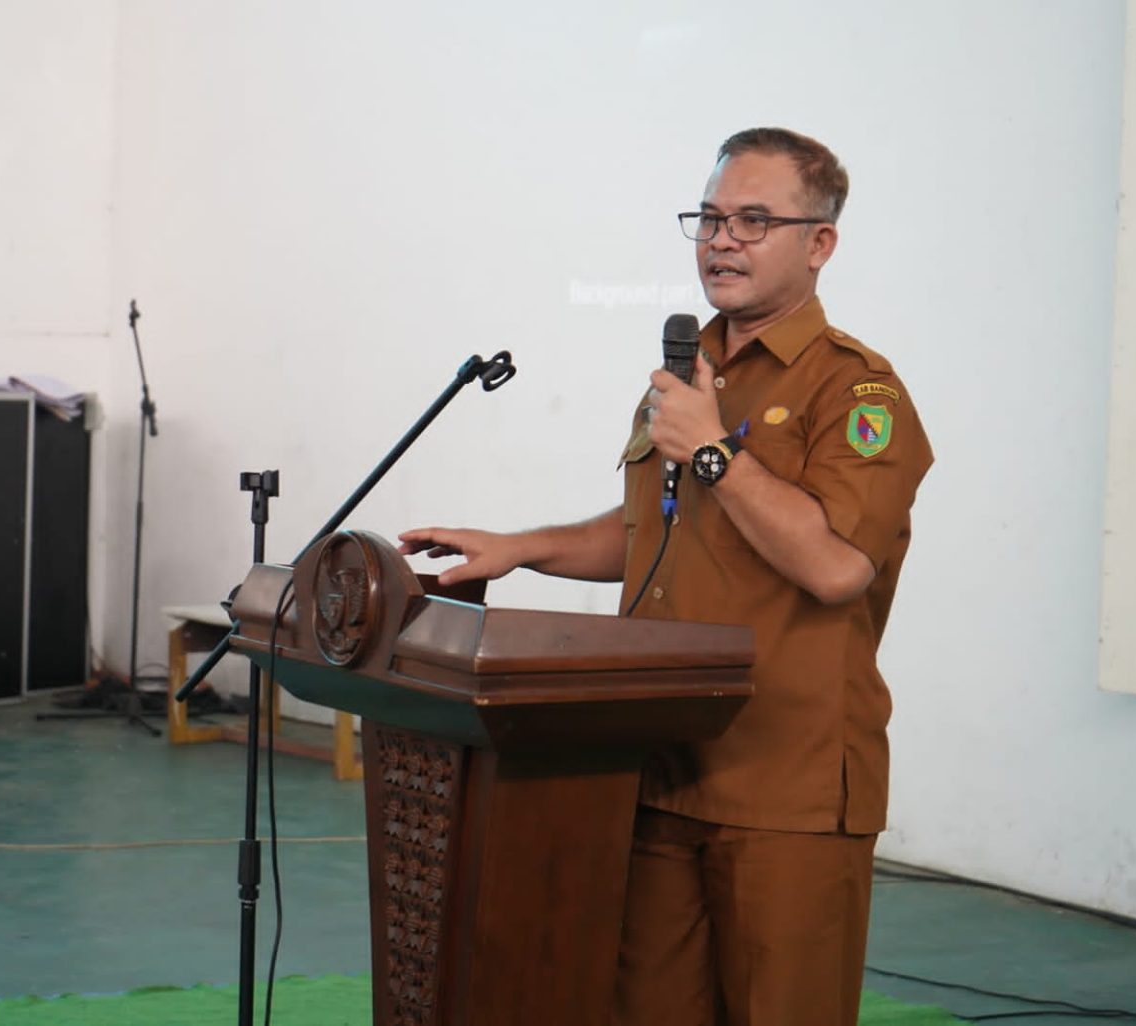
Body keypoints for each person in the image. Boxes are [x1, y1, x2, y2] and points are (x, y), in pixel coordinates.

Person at [399, 128, 934, 1026]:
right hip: (658, 761)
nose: (722, 240)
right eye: (711, 218)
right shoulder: (690, 379)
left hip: (784, 785)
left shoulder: (857, 392)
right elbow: (656, 534)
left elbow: (836, 565)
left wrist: (717, 451)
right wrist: (521, 547)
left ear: (820, 243)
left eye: (755, 220)